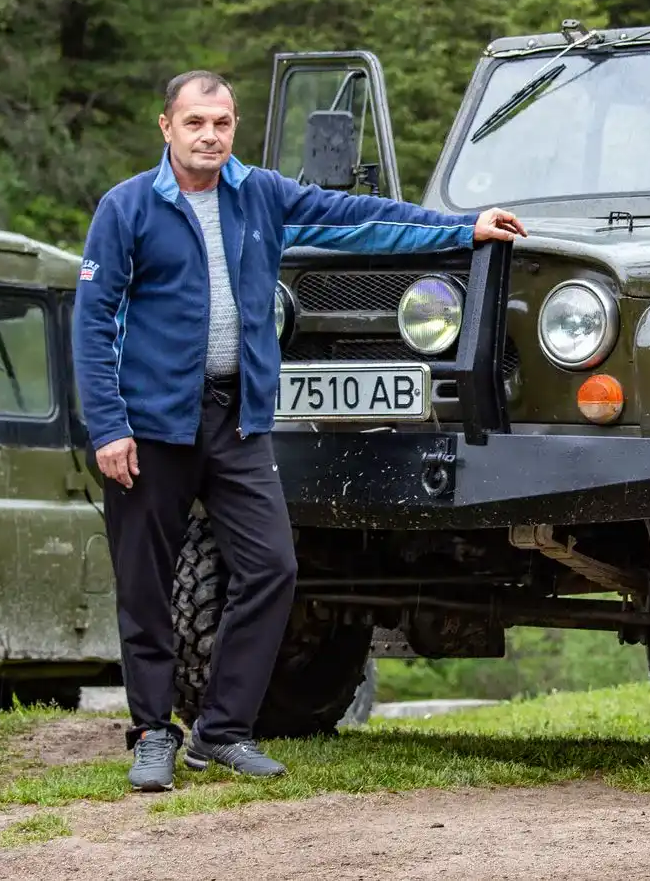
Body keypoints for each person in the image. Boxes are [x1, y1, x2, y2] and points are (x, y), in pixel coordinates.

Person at [73, 70, 525, 792]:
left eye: (221, 123)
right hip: (150, 423)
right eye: (195, 123)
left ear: (234, 126)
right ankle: (154, 732)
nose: (209, 135)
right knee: (146, 584)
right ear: (167, 127)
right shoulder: (126, 209)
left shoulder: (260, 195)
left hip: (238, 417)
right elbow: (93, 323)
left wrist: (459, 229)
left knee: (273, 568)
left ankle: (220, 732)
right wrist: (108, 427)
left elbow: (356, 216)